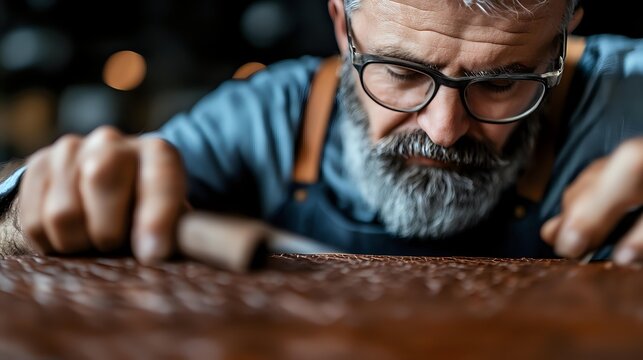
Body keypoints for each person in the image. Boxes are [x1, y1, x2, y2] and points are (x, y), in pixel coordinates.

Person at [1, 0, 643, 265]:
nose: (445, 130)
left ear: (562, 39)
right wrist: (44, 199)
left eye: (502, 83)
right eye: (399, 72)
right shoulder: (263, 118)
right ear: (343, 28)